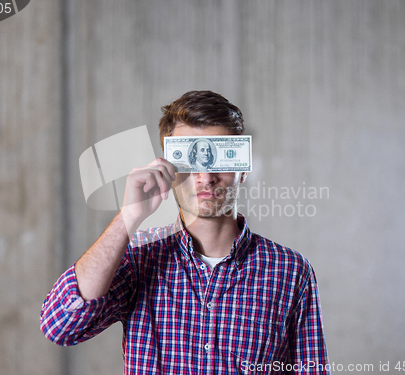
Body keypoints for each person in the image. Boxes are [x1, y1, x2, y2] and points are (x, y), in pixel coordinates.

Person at [40, 91, 330, 374]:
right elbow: (62, 326)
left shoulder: (291, 272)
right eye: (190, 161)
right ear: (168, 167)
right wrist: (128, 216)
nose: (205, 177)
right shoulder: (139, 257)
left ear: (242, 167)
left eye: (218, 158)